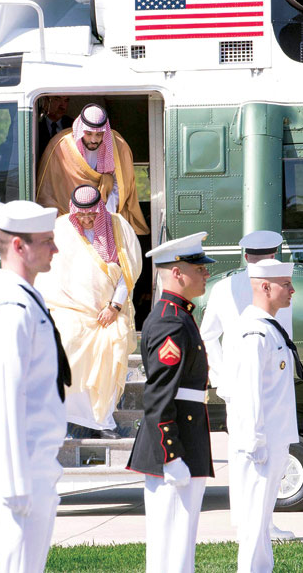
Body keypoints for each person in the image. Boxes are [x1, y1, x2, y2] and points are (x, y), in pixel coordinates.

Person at [0, 200, 70, 573]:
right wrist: (15, 481)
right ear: (18, 246)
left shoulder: (25, 297)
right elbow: (7, 394)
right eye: (47, 240)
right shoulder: (11, 306)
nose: (55, 249)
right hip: (19, 464)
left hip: (34, 461)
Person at [126, 232, 215, 573]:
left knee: (180, 542)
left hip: (184, 437)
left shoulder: (177, 315)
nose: (206, 273)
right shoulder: (170, 321)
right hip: (176, 445)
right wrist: (172, 454)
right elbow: (159, 395)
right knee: (173, 543)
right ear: (177, 272)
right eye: (199, 268)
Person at [199, 230, 295, 540]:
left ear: (245, 255)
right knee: (266, 455)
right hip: (268, 383)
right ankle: (259, 525)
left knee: (245, 456)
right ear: (275, 255)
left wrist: (222, 376)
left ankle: (250, 523)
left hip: (237, 383)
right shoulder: (276, 284)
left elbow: (207, 336)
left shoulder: (223, 287)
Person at [36, 184, 142, 439]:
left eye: (92, 215)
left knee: (111, 348)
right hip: (68, 309)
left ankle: (101, 421)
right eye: (81, 215)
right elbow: (48, 273)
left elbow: (127, 274)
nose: (86, 220)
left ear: (99, 210)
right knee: (67, 344)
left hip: (108, 312)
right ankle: (64, 418)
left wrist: (114, 306)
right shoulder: (61, 229)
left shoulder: (118, 226)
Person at [232, 259, 299, 573]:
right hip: (261, 443)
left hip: (273, 438)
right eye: (285, 284)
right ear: (265, 287)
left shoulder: (268, 328)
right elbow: (249, 393)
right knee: (254, 521)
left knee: (260, 520)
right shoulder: (255, 332)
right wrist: (255, 441)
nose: (292, 290)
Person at [35, 102, 149, 236]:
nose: (94, 140)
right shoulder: (61, 145)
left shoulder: (117, 145)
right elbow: (48, 189)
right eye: (88, 134)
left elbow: (121, 184)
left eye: (99, 135)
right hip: (69, 215)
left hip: (108, 210)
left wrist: (105, 215)